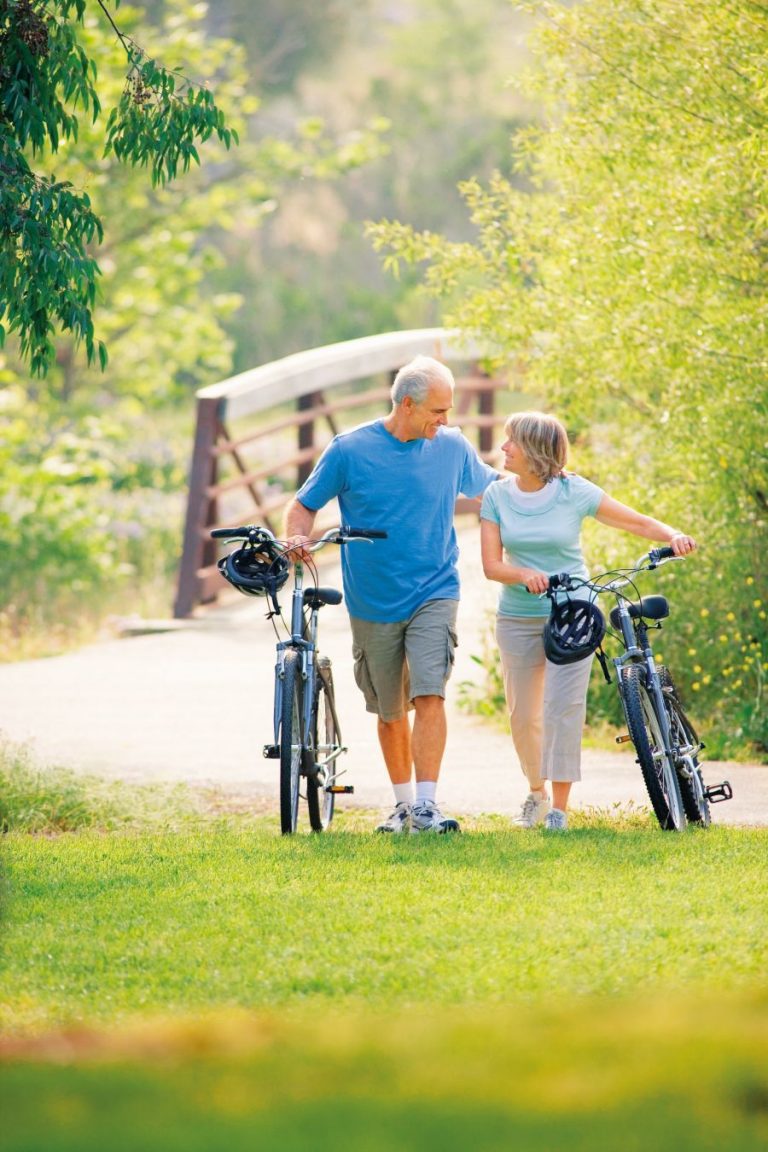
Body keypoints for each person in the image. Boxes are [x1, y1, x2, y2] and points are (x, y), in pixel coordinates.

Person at [284, 355, 498, 834]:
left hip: (435, 588)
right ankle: (401, 806)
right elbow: (303, 505)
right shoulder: (350, 450)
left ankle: (426, 805)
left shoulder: (451, 446)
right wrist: (299, 536)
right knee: (389, 709)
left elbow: (495, 490)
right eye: (437, 411)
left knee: (430, 694)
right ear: (407, 404)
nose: (446, 421)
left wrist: (548, 486)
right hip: (374, 600)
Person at [480, 411, 697, 831]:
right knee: (524, 715)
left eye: (512, 442)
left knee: (563, 708)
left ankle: (559, 808)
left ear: (536, 450)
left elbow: (633, 520)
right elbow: (491, 565)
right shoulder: (496, 496)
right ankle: (536, 793)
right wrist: (524, 574)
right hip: (518, 617)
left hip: (574, 618)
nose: (503, 448)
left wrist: (672, 535)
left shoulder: (572, 491)